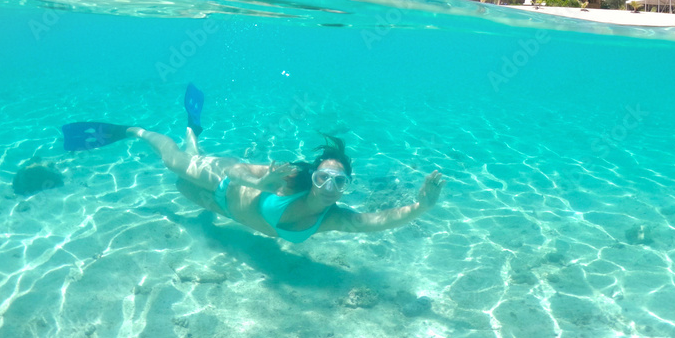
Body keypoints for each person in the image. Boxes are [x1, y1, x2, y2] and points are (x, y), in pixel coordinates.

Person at [62, 84, 444, 243]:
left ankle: (193, 127)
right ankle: (134, 130)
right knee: (176, 164)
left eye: (339, 183)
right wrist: (261, 185)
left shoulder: (332, 219)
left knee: (182, 189)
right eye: (325, 178)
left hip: (223, 209)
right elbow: (234, 172)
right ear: (314, 177)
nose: (330, 188)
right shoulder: (290, 178)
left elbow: (377, 222)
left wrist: (422, 206)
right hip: (224, 185)